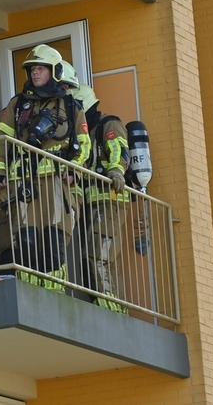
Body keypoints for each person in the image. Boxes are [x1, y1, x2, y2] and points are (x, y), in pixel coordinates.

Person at [0, 45, 90, 286]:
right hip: (23, 183)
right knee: (25, 242)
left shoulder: (71, 106)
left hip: (55, 184)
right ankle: (29, 292)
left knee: (53, 242)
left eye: (41, 68)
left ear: (53, 72)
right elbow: (0, 141)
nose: (35, 73)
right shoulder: (17, 104)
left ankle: (53, 294)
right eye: (33, 69)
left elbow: (84, 144)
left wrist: (73, 168)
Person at [72, 82, 131, 313]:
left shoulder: (108, 124)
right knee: (89, 255)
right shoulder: (82, 134)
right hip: (89, 203)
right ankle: (99, 303)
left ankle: (112, 308)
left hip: (109, 200)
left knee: (99, 253)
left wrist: (116, 170)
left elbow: (119, 149)